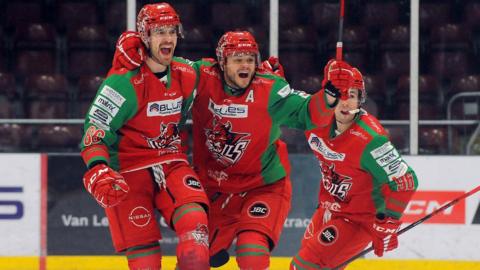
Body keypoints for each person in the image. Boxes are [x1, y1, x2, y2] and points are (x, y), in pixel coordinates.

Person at [111, 28, 355, 269]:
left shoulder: (270, 88)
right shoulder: (201, 75)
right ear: (222, 62)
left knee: (253, 255)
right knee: (194, 257)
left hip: (263, 186)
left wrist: (330, 95)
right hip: (215, 189)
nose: (245, 66)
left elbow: (308, 113)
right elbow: (162, 68)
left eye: (250, 60)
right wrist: (135, 54)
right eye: (238, 60)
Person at [79, 3, 210, 270]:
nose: (168, 38)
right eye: (159, 31)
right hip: (127, 170)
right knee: (146, 262)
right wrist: (98, 166)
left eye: (172, 31)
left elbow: (226, 73)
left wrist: (262, 77)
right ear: (145, 37)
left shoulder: (187, 73)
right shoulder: (123, 81)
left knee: (196, 233)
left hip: (171, 162)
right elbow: (96, 126)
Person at [289, 64, 419, 270]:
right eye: (339, 93)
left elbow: (406, 180)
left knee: (303, 265)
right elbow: (275, 102)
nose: (345, 102)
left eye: (352, 94)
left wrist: (390, 221)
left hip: (358, 220)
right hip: (328, 208)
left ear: (361, 98)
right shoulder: (313, 116)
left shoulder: (370, 139)